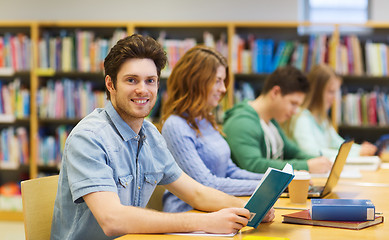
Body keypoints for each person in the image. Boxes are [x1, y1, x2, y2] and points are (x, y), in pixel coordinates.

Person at [50, 34, 275, 240]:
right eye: (131, 80)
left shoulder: (150, 136)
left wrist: (250, 209)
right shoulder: (89, 137)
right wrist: (205, 222)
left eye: (150, 80)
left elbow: (197, 193)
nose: (142, 90)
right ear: (110, 84)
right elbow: (112, 220)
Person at [161, 46, 266, 213]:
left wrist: (271, 181)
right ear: (196, 81)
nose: (223, 89)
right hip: (187, 214)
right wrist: (264, 187)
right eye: (217, 81)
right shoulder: (175, 126)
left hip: (214, 210)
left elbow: (230, 171)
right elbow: (206, 184)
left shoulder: (206, 120)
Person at [223, 66, 332, 174]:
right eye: (293, 103)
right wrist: (307, 166)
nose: (295, 111)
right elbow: (254, 165)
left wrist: (319, 162)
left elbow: (293, 152)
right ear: (275, 92)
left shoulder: (271, 121)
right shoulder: (241, 122)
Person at [286, 64, 377, 158]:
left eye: (336, 92)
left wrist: (361, 149)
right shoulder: (302, 117)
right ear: (316, 92)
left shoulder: (321, 118)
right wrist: (357, 153)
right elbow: (311, 152)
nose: (334, 98)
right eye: (331, 92)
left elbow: (339, 144)